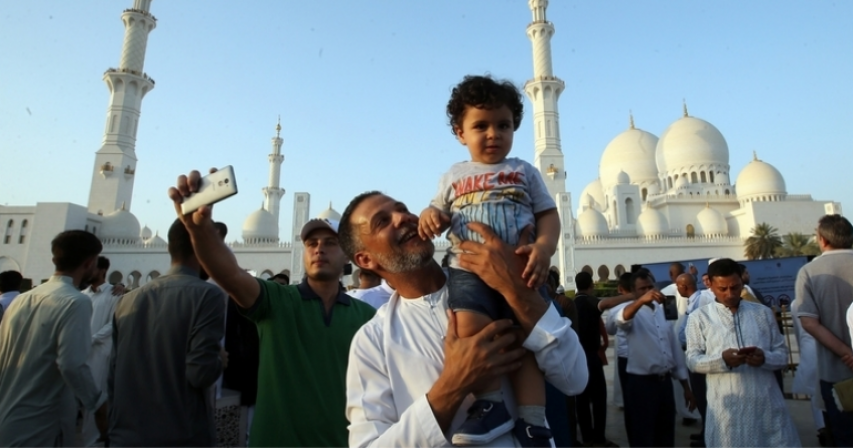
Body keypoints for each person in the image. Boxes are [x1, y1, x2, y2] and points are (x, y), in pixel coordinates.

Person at [341, 191, 587, 447]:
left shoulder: (494, 279)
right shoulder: (373, 342)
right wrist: (453, 384)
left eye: (401, 208)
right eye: (382, 221)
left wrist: (517, 290)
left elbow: (575, 379)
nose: (402, 217)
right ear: (365, 259)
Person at [168, 173, 376, 447]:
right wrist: (200, 231)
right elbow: (228, 272)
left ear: (348, 255)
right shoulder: (277, 302)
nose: (319, 250)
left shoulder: (366, 317)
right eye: (311, 244)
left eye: (330, 243)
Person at [418, 74, 561, 445]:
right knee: (472, 331)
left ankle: (533, 421)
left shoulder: (525, 171)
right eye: (480, 125)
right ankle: (491, 403)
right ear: (460, 132)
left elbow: (548, 215)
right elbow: (436, 210)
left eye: (504, 125)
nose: (493, 133)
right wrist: (432, 217)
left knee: (525, 343)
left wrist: (543, 249)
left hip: (518, 267)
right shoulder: (454, 175)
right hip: (468, 269)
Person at [108, 219, 226, 446]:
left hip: (125, 436)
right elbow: (200, 373)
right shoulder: (207, 295)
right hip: (181, 436)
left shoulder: (127, 300)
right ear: (203, 248)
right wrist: (219, 359)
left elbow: (113, 375)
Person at [0, 230, 106, 446]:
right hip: (41, 426)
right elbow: (72, 365)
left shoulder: (21, 300)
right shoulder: (75, 302)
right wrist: (98, 405)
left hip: (8, 420)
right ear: (89, 263)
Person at [686, 258, 800, 447]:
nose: (730, 294)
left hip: (767, 405)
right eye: (723, 289)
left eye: (735, 287)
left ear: (742, 282)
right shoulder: (699, 318)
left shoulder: (762, 313)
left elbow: (781, 355)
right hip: (727, 412)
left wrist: (765, 358)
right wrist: (722, 360)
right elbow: (692, 360)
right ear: (711, 286)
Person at [615, 270, 695, 447]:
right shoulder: (630, 312)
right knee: (643, 436)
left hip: (664, 384)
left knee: (666, 434)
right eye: (642, 289)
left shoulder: (661, 311)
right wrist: (641, 301)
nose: (648, 291)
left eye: (650, 287)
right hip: (641, 385)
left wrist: (686, 387)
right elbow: (621, 321)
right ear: (633, 292)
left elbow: (673, 349)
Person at [795, 214, 853, 446]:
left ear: (822, 239)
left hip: (835, 373)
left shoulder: (809, 272)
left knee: (845, 436)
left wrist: (846, 353)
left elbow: (810, 322)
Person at [77, 256, 121, 446]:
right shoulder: (82, 295)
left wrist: (90, 340)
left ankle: (93, 442)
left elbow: (113, 323)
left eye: (93, 267)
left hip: (99, 354)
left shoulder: (114, 294)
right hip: (78, 353)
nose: (88, 271)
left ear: (102, 270)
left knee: (95, 400)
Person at [572, 271, 616, 447]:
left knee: (581, 399)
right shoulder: (591, 302)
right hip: (591, 355)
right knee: (598, 398)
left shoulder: (571, 304)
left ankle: (587, 436)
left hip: (577, 356)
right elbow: (606, 305)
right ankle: (599, 436)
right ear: (591, 285)